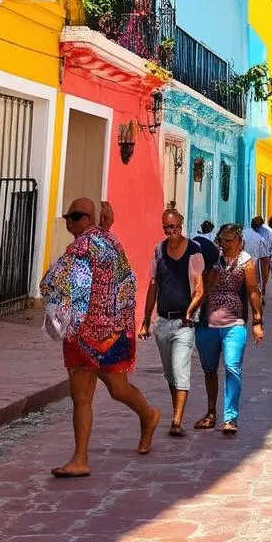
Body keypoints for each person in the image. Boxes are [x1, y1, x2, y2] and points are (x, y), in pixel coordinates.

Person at [40, 198, 160, 478]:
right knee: (93, 393)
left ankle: (148, 415)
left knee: (105, 391)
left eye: (76, 216)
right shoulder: (111, 241)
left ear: (89, 219)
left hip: (88, 333)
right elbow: (127, 282)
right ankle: (80, 458)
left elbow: (50, 283)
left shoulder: (80, 247)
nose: (70, 221)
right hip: (109, 333)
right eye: (68, 216)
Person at [138, 209, 205, 437]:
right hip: (163, 322)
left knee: (180, 370)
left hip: (184, 323)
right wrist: (146, 321)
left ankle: (177, 421)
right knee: (170, 374)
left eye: (174, 226)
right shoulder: (159, 250)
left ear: (181, 224)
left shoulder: (194, 251)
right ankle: (176, 409)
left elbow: (200, 288)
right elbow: (153, 286)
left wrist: (189, 312)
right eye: (167, 227)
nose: (171, 231)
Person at [193, 223, 263, 435]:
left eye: (226, 240)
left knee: (233, 368)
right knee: (209, 370)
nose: (222, 244)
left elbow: (252, 291)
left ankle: (230, 417)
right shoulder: (212, 260)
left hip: (234, 324)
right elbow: (201, 287)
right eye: (221, 240)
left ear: (238, 241)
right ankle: (211, 412)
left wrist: (257, 320)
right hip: (208, 324)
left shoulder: (246, 263)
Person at [243, 215, 272, 301]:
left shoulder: (243, 232)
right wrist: (264, 282)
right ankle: (260, 297)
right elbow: (265, 259)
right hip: (255, 264)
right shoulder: (265, 235)